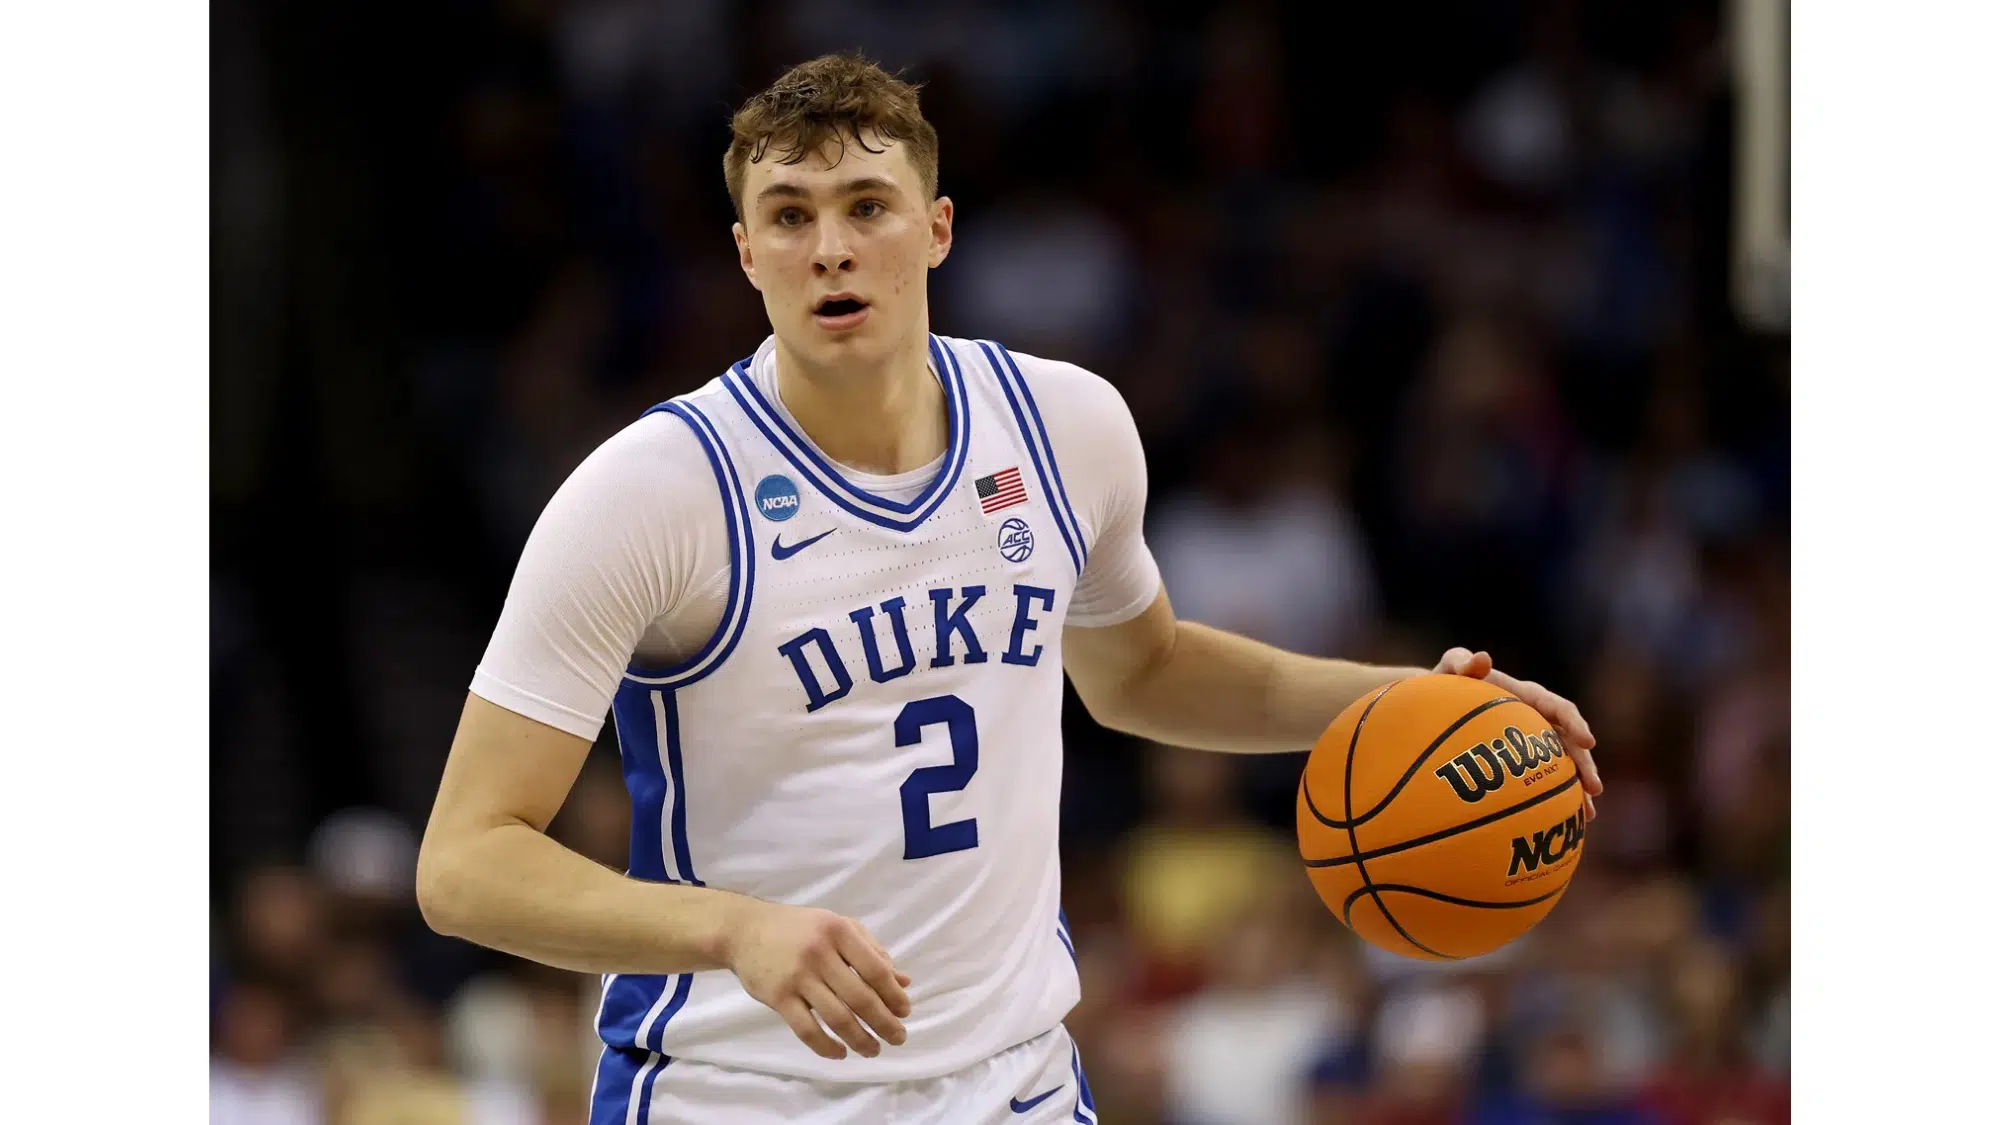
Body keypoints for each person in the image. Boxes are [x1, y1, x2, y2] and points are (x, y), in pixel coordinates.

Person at [414, 53, 1602, 1125]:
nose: (829, 246)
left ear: (934, 230)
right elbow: (464, 864)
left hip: (1011, 1087)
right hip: (739, 1096)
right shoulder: (652, 493)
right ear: (745, 251)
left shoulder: (1063, 427)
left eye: (864, 207)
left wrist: (1412, 703)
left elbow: (1141, 671)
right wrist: (730, 928)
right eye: (788, 215)